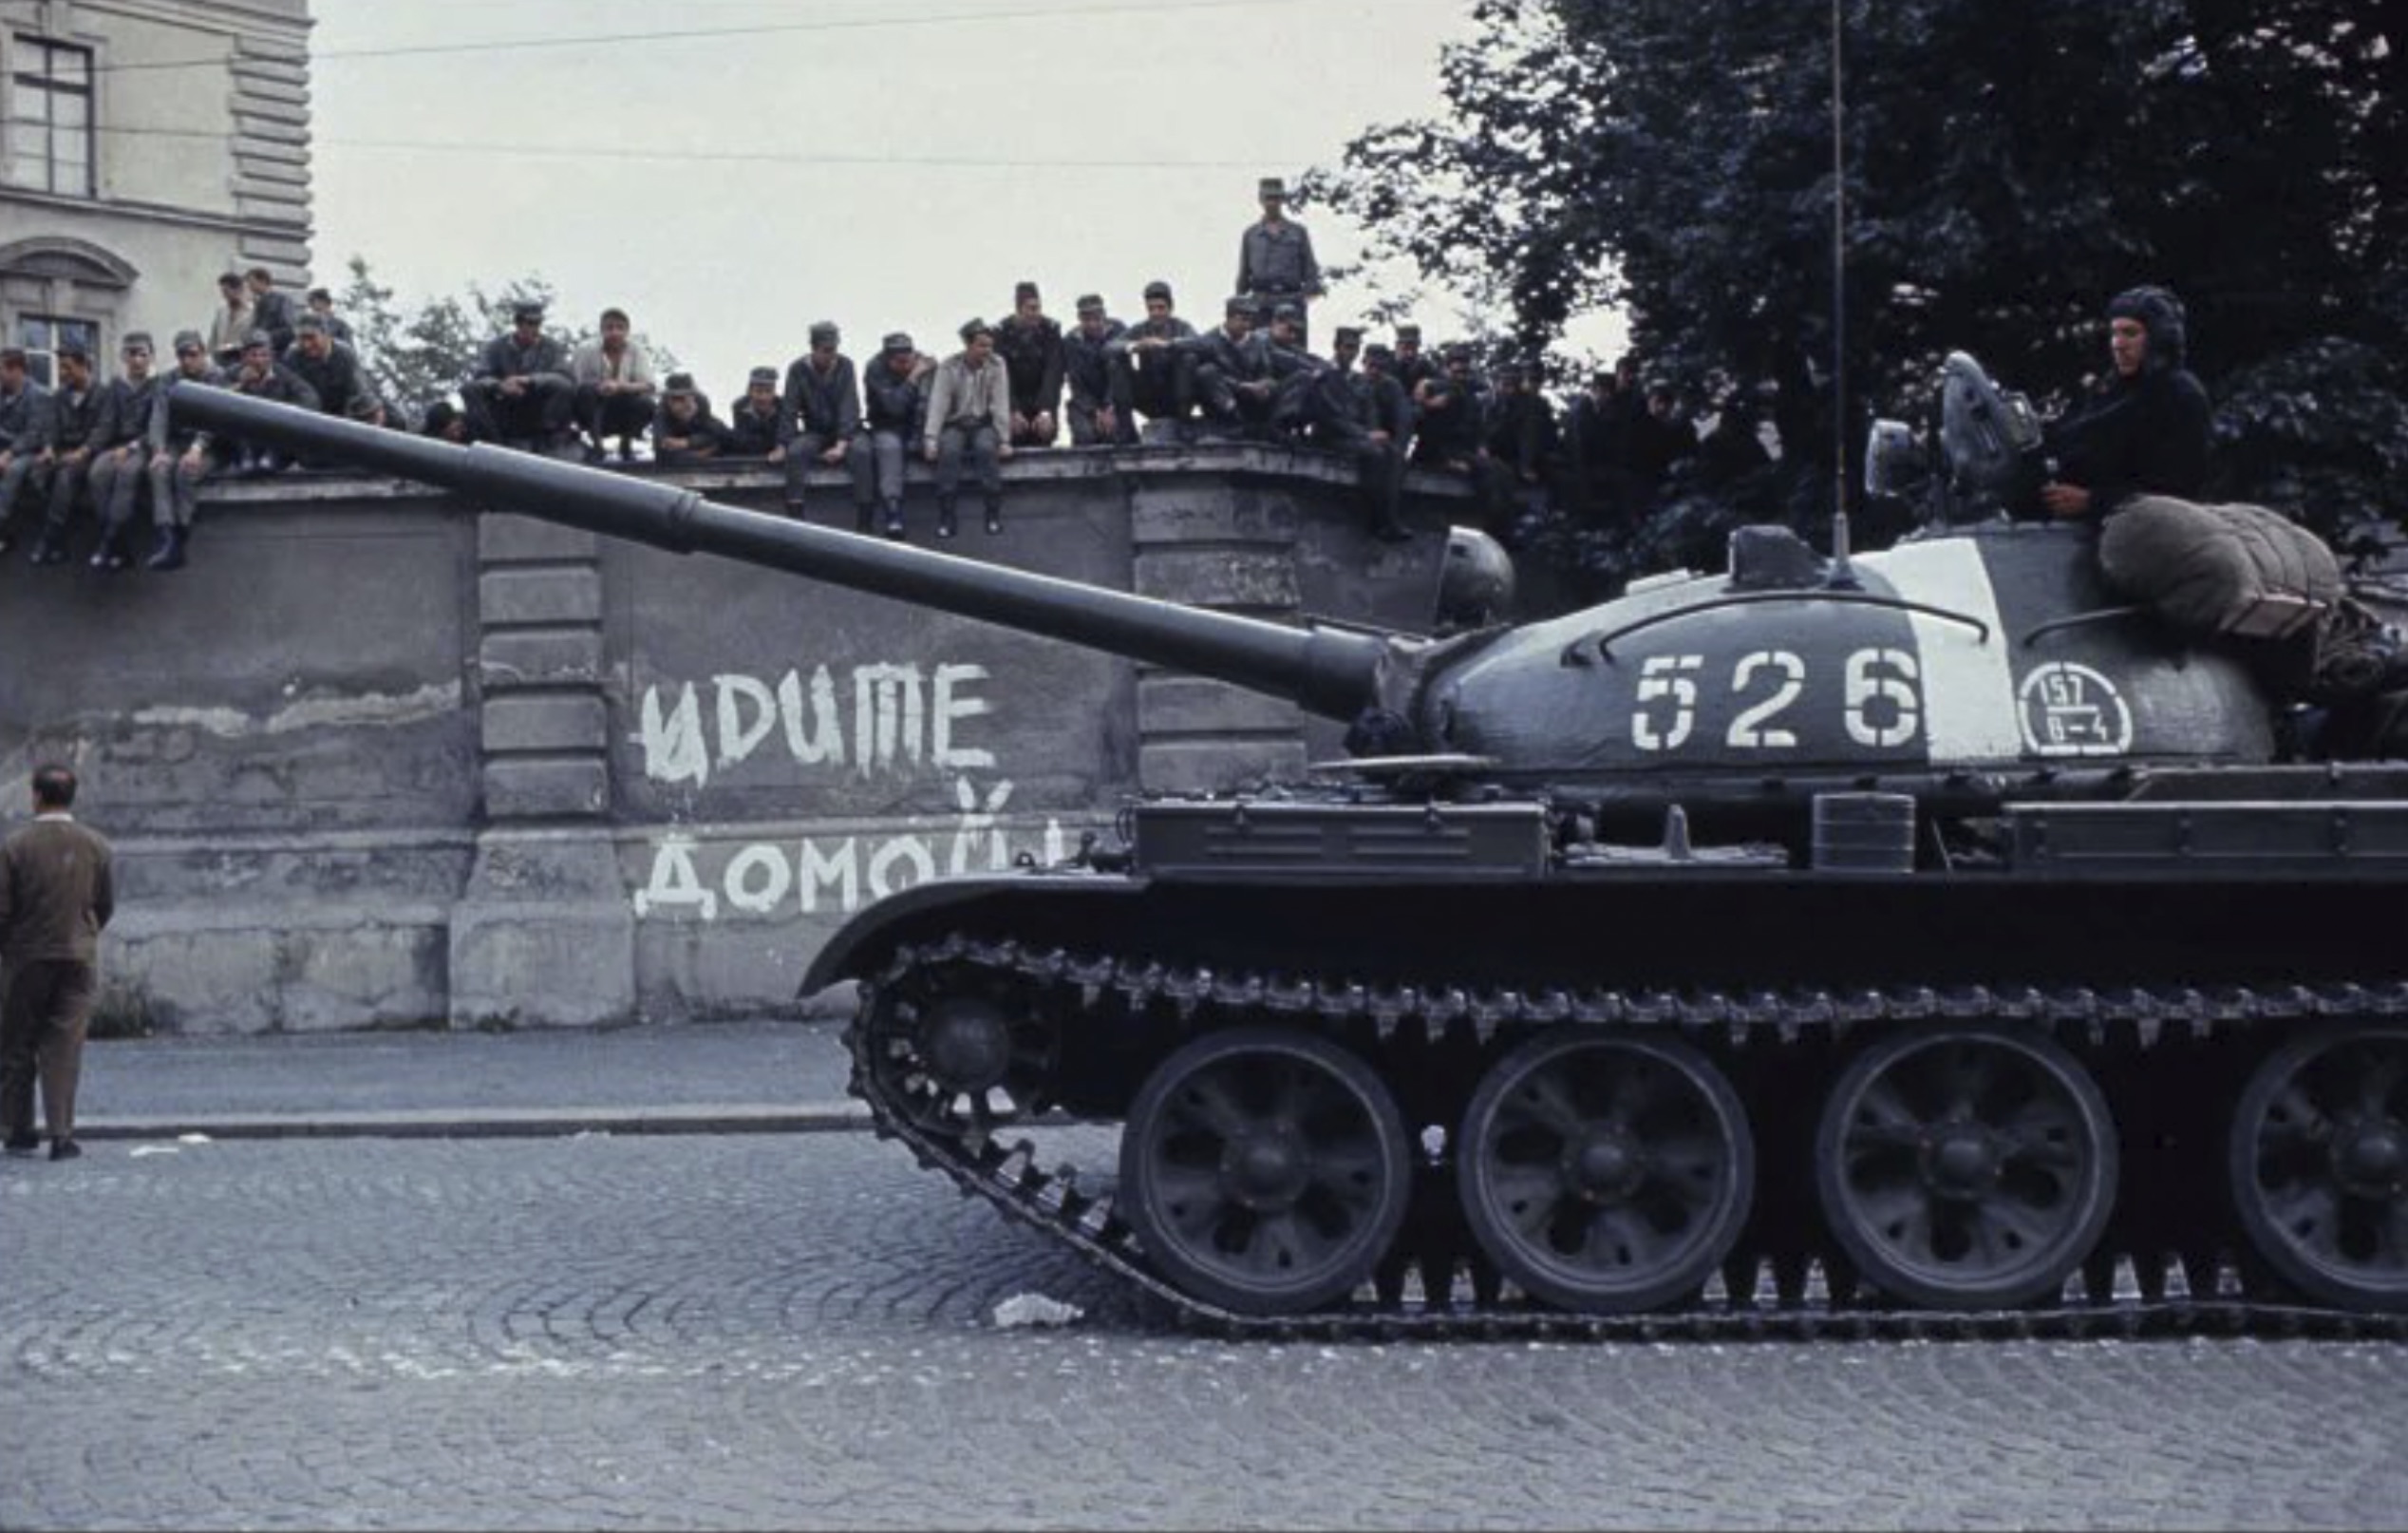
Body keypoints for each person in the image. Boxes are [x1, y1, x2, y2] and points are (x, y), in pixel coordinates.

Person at [0, 763, 115, 1164]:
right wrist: (85, 934)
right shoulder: (96, 845)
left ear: (35, 795)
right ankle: (62, 1134)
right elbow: (105, 904)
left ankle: (17, 1130)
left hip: (25, 957)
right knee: (64, 1045)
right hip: (77, 955)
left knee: (16, 1043)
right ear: (72, 797)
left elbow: (2, 908)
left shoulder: (14, 846)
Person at [2038, 284, 2211, 522]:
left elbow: (2178, 492)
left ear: (2158, 338)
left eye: (2130, 333)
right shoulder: (2111, 388)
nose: (2117, 344)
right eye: (2114, 333)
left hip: (2154, 535)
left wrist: (2093, 501)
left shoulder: (2180, 395)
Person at [921, 318, 1014, 538]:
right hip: (956, 423)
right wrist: (931, 438)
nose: (987, 350)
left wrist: (1004, 439)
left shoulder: (997, 364)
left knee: (985, 449)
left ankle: (992, 514)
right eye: (981, 345)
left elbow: (1000, 402)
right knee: (949, 451)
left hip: (983, 423)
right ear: (968, 345)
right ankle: (947, 517)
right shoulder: (949, 366)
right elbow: (939, 403)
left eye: (989, 345)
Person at [776, 321, 874, 524]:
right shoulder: (797, 369)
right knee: (796, 451)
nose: (831, 356)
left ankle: (865, 514)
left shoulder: (846, 366)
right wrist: (783, 443)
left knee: (862, 452)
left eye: (834, 350)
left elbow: (850, 405)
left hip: (849, 432)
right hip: (816, 431)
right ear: (813, 349)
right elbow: (789, 408)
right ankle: (795, 511)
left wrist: (841, 444)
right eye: (826, 351)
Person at [143, 331, 221, 571]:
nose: (187, 360)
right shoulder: (169, 380)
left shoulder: (216, 377)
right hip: (177, 441)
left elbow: (217, 418)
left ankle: (182, 534)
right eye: (182, 355)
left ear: (202, 353)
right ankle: (166, 536)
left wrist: (198, 447)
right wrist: (158, 450)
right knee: (160, 469)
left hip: (212, 444)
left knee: (185, 471)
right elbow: (159, 416)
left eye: (192, 354)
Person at [85, 332, 163, 572]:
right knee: (97, 473)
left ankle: (108, 541)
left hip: (145, 446)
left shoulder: (159, 386)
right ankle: (118, 544)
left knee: (127, 474)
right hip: (116, 445)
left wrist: (132, 447)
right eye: (132, 354)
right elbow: (106, 424)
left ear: (151, 357)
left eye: (143, 354)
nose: (137, 360)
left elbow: (157, 425)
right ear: (123, 357)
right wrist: (88, 449)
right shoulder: (116, 387)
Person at [24, 342, 104, 567]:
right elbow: (51, 426)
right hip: (62, 450)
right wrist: (48, 448)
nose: (61, 373)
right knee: (36, 474)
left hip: (89, 454)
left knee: (65, 478)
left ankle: (51, 539)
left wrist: (83, 451)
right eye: (60, 367)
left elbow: (104, 430)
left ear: (84, 367)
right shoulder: (60, 395)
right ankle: (60, 531)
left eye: (67, 368)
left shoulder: (103, 394)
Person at [462, 302, 575, 455]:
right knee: (469, 390)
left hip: (537, 409)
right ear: (518, 323)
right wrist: (500, 386)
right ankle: (492, 443)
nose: (534, 329)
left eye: (537, 323)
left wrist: (531, 381)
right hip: (504, 408)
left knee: (564, 388)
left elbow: (565, 378)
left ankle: (549, 443)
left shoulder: (552, 348)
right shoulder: (495, 347)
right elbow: (480, 377)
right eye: (529, 323)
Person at [1235, 176, 1323, 350]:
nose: (1272, 203)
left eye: (1276, 198)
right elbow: (1244, 274)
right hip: (1260, 302)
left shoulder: (1298, 232)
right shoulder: (1251, 234)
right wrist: (1241, 304)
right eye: (1268, 198)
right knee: (1258, 352)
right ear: (1260, 199)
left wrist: (1301, 299)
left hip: (1291, 300)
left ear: (1282, 200)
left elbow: (1311, 271)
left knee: (1295, 354)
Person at [1108, 279, 1196, 444]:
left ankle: (1185, 423)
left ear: (1170, 308)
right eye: (1151, 308)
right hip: (1149, 396)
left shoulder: (1181, 327)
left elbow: (1198, 344)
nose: (1156, 313)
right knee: (1115, 364)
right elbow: (1110, 347)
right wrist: (1135, 346)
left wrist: (1169, 345)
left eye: (1161, 308)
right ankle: (1126, 429)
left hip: (1176, 397)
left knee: (1188, 358)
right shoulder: (1141, 329)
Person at [224, 331, 320, 475]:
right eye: (253, 355)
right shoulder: (232, 373)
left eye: (263, 355)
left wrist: (285, 410)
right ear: (244, 357)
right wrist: (241, 384)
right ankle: (245, 457)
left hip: (273, 437)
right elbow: (216, 399)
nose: (258, 361)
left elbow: (310, 397)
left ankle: (273, 458)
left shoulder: (282, 374)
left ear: (271, 357)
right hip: (244, 438)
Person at [568, 307, 656, 463]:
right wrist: (598, 387)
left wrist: (620, 386)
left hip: (622, 406)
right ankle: (597, 447)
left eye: (620, 328)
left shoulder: (637, 350)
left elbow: (648, 385)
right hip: (591, 406)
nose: (615, 333)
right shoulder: (585, 349)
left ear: (627, 331)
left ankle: (626, 445)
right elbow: (574, 383)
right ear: (601, 330)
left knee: (646, 404)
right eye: (609, 328)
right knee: (586, 392)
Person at [864, 331, 930, 539]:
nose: (904, 365)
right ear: (888, 359)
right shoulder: (875, 369)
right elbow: (894, 407)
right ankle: (893, 512)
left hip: (919, 424)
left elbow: (929, 403)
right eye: (899, 362)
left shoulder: (926, 364)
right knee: (889, 449)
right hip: (887, 425)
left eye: (907, 360)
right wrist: (912, 379)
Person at [1189, 296, 1279, 439]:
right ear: (1229, 317)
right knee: (1206, 372)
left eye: (1250, 320)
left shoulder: (1258, 343)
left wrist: (1264, 385)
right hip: (1223, 403)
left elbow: (1267, 373)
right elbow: (1205, 376)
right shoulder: (1209, 340)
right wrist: (1241, 386)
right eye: (1242, 319)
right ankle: (1234, 423)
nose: (1247, 325)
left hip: (1251, 402)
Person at [992, 281, 1065, 448]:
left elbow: (1053, 374)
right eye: (1031, 309)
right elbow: (1002, 376)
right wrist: (1012, 410)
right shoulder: (1002, 333)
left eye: (1038, 308)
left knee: (1045, 432)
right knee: (1014, 433)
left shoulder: (1050, 330)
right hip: (1013, 399)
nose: (1036, 314)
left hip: (1041, 398)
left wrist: (1046, 410)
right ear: (1019, 309)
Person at [282, 313, 386, 431]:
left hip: (341, 416)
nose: (306, 345)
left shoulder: (344, 355)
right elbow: (287, 391)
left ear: (326, 335)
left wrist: (373, 412)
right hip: (308, 416)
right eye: (301, 339)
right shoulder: (293, 356)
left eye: (311, 338)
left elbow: (360, 391)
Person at [0, 346, 52, 555]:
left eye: (1, 369)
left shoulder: (38, 395)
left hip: (29, 451)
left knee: (12, 470)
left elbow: (34, 434)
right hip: (5, 447)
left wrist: (8, 453)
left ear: (17, 370)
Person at [1408, 343, 1486, 472]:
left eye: (1465, 371)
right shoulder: (1433, 386)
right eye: (1457, 371)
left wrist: (1482, 445)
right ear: (1446, 368)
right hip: (1433, 451)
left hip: (1461, 449)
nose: (1461, 375)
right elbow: (1412, 411)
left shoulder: (1472, 395)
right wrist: (1428, 404)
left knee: (1494, 469)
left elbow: (1478, 426)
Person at [1061, 293, 1126, 446]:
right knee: (1085, 435)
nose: (1092, 324)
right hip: (1085, 402)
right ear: (1080, 319)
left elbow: (1123, 372)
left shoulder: (1118, 332)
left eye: (1096, 319)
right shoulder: (1071, 342)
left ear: (1104, 316)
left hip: (1116, 398)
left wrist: (1110, 407)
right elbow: (1076, 383)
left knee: (1117, 435)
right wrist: (1095, 411)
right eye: (1087, 320)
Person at [649, 372, 729, 466]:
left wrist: (688, 441)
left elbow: (714, 432)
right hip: (678, 446)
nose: (681, 402)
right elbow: (661, 446)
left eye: (685, 396)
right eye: (676, 398)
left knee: (725, 435)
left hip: (694, 440)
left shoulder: (701, 402)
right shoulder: (661, 411)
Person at [724, 366, 786, 457]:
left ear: (774, 392)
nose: (763, 397)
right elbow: (742, 438)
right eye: (758, 391)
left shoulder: (783, 407)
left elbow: (784, 435)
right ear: (750, 391)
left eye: (768, 391)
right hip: (749, 451)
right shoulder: (739, 406)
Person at [205, 270, 254, 368]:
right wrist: (208, 355)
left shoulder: (252, 312)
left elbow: (251, 339)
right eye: (223, 292)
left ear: (238, 290)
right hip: (219, 359)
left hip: (238, 360)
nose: (224, 296)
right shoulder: (222, 311)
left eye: (227, 292)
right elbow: (214, 337)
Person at [245, 267, 297, 355]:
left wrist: (265, 337)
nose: (249, 287)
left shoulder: (282, 300)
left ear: (263, 281)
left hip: (276, 353)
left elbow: (289, 329)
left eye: (252, 283)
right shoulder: (257, 303)